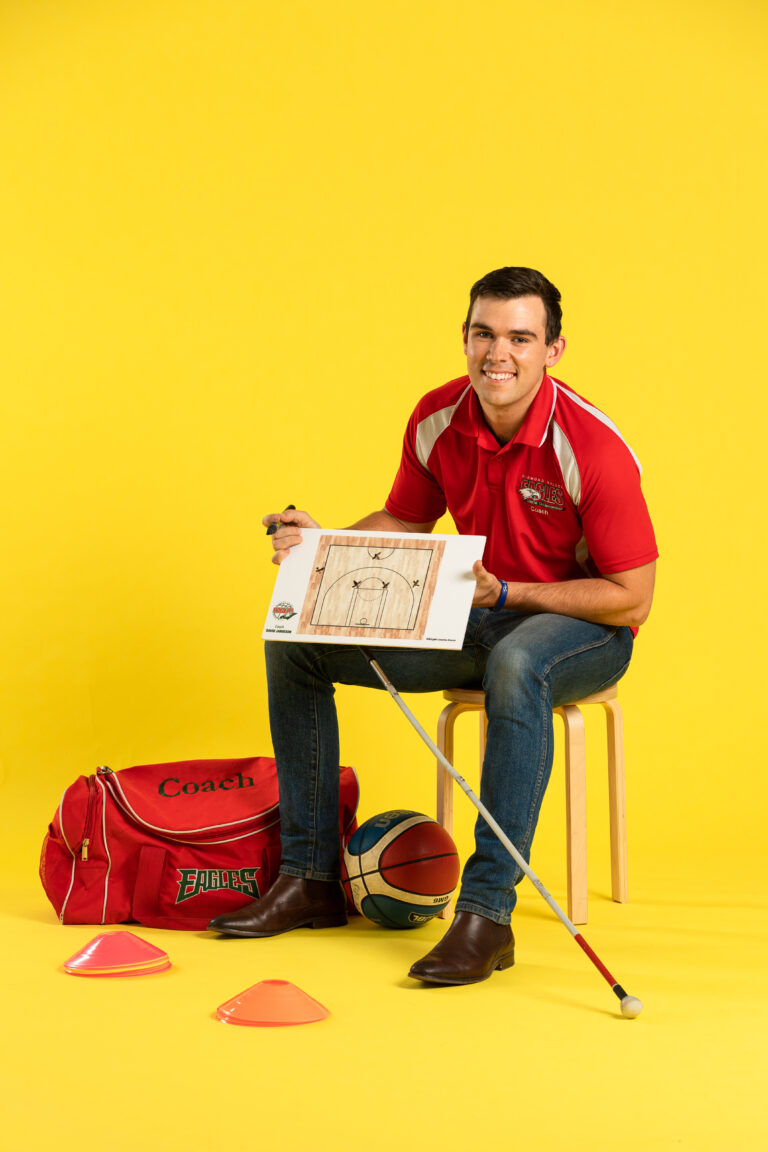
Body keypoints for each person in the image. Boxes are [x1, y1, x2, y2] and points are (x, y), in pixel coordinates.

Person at [208, 266, 658, 985]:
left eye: (520, 337)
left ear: (554, 350)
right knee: (294, 639)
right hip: (472, 613)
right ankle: (309, 877)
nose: (498, 353)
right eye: (484, 334)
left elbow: (632, 598)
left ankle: (485, 915)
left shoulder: (593, 448)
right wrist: (322, 549)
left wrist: (511, 591)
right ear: (465, 338)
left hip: (582, 629)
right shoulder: (437, 417)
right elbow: (405, 522)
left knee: (517, 662)